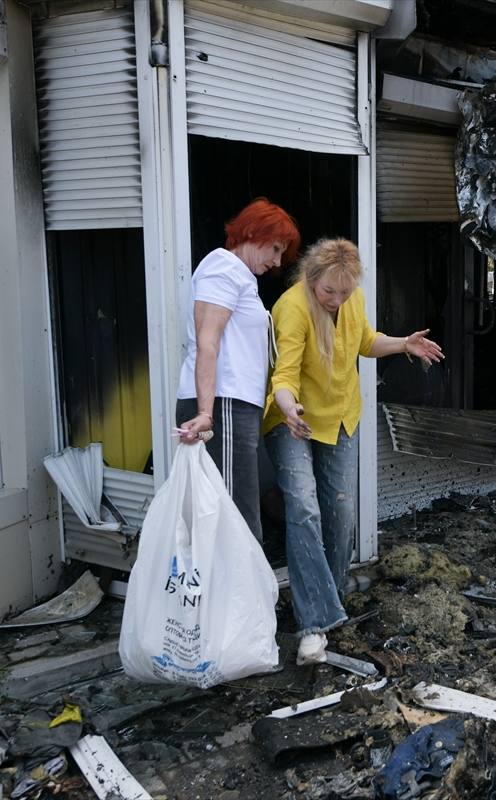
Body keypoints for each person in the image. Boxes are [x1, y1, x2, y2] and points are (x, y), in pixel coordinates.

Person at [264, 238, 443, 665]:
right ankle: (313, 625)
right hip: (295, 420)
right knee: (304, 509)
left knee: (342, 515)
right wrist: (290, 409)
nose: (338, 299)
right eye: (330, 292)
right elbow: (283, 375)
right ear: (311, 278)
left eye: (345, 292)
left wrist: (403, 344)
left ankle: (332, 603)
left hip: (341, 419)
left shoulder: (352, 297)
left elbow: (365, 342)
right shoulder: (291, 308)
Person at [176, 198, 300, 543]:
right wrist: (205, 412)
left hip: (232, 406)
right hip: (223, 404)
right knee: (236, 515)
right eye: (275, 249)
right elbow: (208, 341)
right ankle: (240, 594)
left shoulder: (237, 275)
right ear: (251, 232)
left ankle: (236, 592)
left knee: (231, 511)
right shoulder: (223, 267)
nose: (276, 262)